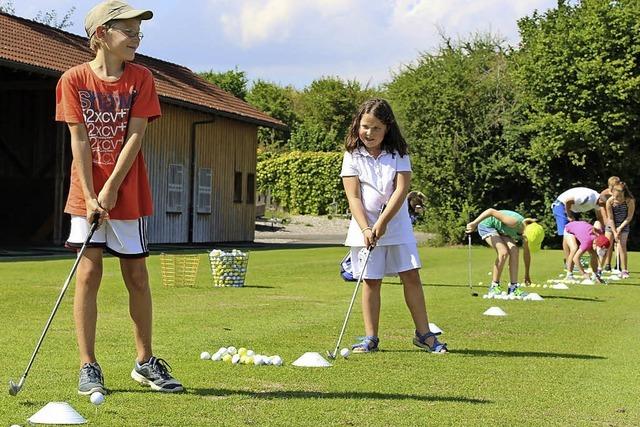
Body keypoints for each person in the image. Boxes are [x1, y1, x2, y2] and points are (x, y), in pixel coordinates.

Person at [55, 0, 182, 394]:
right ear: (100, 36)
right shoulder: (73, 80)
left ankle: (145, 362)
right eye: (128, 31)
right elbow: (78, 139)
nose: (136, 38)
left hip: (127, 193)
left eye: (138, 32)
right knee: (88, 276)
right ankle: (88, 366)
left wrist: (110, 189)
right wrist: (92, 195)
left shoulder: (141, 78)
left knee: (137, 277)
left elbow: (136, 136)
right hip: (85, 196)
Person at [340, 98, 447, 354]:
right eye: (365, 126)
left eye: (376, 128)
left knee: (410, 275)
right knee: (371, 280)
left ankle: (424, 334)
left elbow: (401, 190)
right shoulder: (352, 154)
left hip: (396, 224)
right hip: (363, 226)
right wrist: (367, 228)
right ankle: (370, 337)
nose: (369, 133)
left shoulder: (399, 153)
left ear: (387, 127)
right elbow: (353, 196)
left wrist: (383, 222)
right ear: (357, 125)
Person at [465, 209, 544, 297]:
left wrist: (527, 274)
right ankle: (494, 286)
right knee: (503, 252)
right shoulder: (514, 222)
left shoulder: (526, 233)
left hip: (502, 230)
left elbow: (526, 254)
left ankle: (513, 288)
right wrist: (474, 223)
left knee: (515, 250)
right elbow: (491, 211)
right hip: (487, 225)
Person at [551, 187, 605, 263]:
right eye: (604, 204)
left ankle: (571, 260)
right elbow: (568, 201)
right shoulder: (587, 197)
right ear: (601, 200)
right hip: (561, 205)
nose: (604, 206)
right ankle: (568, 262)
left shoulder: (598, 202)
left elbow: (600, 216)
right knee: (566, 234)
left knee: (572, 234)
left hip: (571, 209)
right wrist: (569, 215)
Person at [605, 182, 635, 278]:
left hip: (624, 225)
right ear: (612, 193)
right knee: (606, 245)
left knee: (622, 246)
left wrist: (620, 228)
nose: (617, 199)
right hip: (611, 225)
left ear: (623, 193)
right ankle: (600, 269)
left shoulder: (629, 201)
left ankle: (624, 270)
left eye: (619, 197)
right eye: (615, 197)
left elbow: (629, 217)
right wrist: (614, 231)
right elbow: (610, 218)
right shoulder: (609, 201)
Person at [599, 176, 621, 271]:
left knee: (619, 242)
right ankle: (607, 265)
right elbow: (602, 208)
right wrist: (605, 220)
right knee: (607, 243)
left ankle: (618, 265)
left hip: (619, 220)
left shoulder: (622, 193)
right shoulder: (604, 194)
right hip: (609, 220)